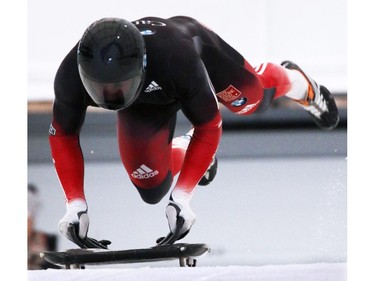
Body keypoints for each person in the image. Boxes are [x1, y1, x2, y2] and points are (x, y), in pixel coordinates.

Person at [49, 16, 339, 248]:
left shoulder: (177, 59)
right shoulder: (68, 76)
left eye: (117, 88)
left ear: (141, 67)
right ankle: (188, 149)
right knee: (151, 187)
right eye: (98, 89)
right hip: (144, 101)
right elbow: (62, 136)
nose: (109, 97)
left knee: (251, 101)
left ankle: (299, 83)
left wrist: (183, 197)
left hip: (197, 58)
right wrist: (75, 204)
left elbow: (209, 125)